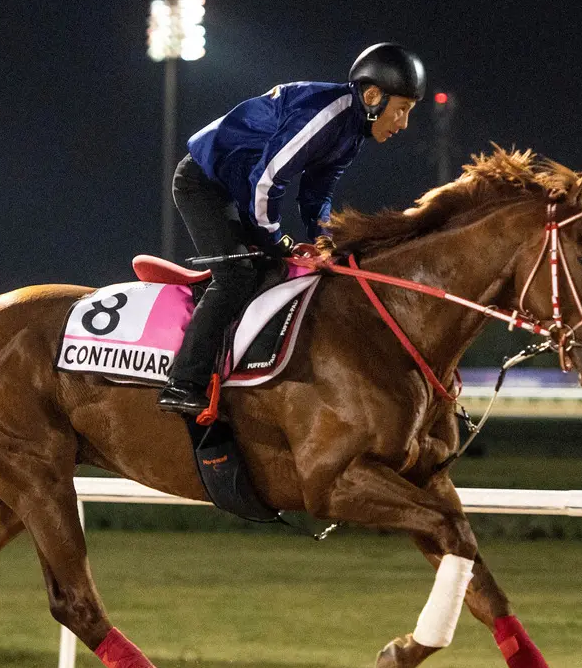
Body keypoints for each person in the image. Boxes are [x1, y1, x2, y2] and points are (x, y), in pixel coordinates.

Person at [158, 42, 427, 415]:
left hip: (241, 188)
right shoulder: (327, 114)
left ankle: (240, 377)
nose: (404, 123)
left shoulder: (351, 133)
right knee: (237, 276)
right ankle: (182, 383)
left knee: (277, 272)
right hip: (203, 183)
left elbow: (317, 196)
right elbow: (267, 180)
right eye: (402, 109)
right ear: (372, 96)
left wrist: (327, 242)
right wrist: (275, 238)